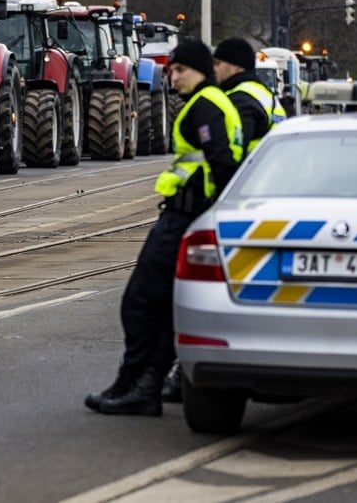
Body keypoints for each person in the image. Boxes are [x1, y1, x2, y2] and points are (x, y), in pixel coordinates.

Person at [85, 38, 243, 417]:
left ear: (202, 70)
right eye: (171, 71)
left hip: (185, 218)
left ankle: (135, 383)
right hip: (191, 216)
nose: (173, 78)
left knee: (140, 302)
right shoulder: (216, 102)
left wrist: (211, 215)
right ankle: (142, 387)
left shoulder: (204, 108)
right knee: (162, 307)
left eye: (180, 70)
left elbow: (220, 163)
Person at [155, 36, 285, 403]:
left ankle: (188, 375)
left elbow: (230, 153)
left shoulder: (240, 100)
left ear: (233, 65)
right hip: (265, 202)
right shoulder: (266, 97)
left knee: (207, 293)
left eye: (218, 64)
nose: (214, 70)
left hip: (238, 204)